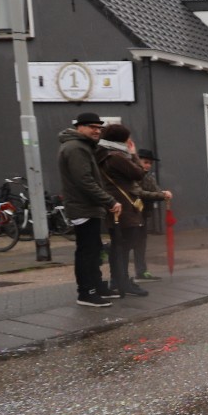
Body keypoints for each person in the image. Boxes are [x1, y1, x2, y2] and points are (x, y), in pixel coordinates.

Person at [57, 112, 120, 307]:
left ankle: (97, 286)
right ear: (79, 127)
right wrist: (109, 200)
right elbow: (84, 180)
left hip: (87, 206)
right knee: (87, 251)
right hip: (83, 207)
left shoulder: (82, 146)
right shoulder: (76, 147)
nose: (97, 131)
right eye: (92, 127)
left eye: (99, 128)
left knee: (94, 249)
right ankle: (86, 292)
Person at [95, 124, 150, 298]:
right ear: (121, 139)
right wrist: (133, 154)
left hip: (115, 205)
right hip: (124, 207)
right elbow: (139, 173)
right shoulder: (116, 157)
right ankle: (122, 282)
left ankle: (118, 280)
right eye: (127, 138)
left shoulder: (102, 154)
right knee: (125, 244)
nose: (129, 141)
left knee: (119, 244)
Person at [132, 149, 171, 282]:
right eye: (145, 162)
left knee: (140, 243)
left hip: (143, 213)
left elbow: (156, 190)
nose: (148, 165)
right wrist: (161, 195)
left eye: (150, 163)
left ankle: (141, 272)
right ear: (138, 161)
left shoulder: (148, 176)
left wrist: (163, 193)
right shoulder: (133, 174)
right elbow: (139, 192)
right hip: (132, 214)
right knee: (129, 243)